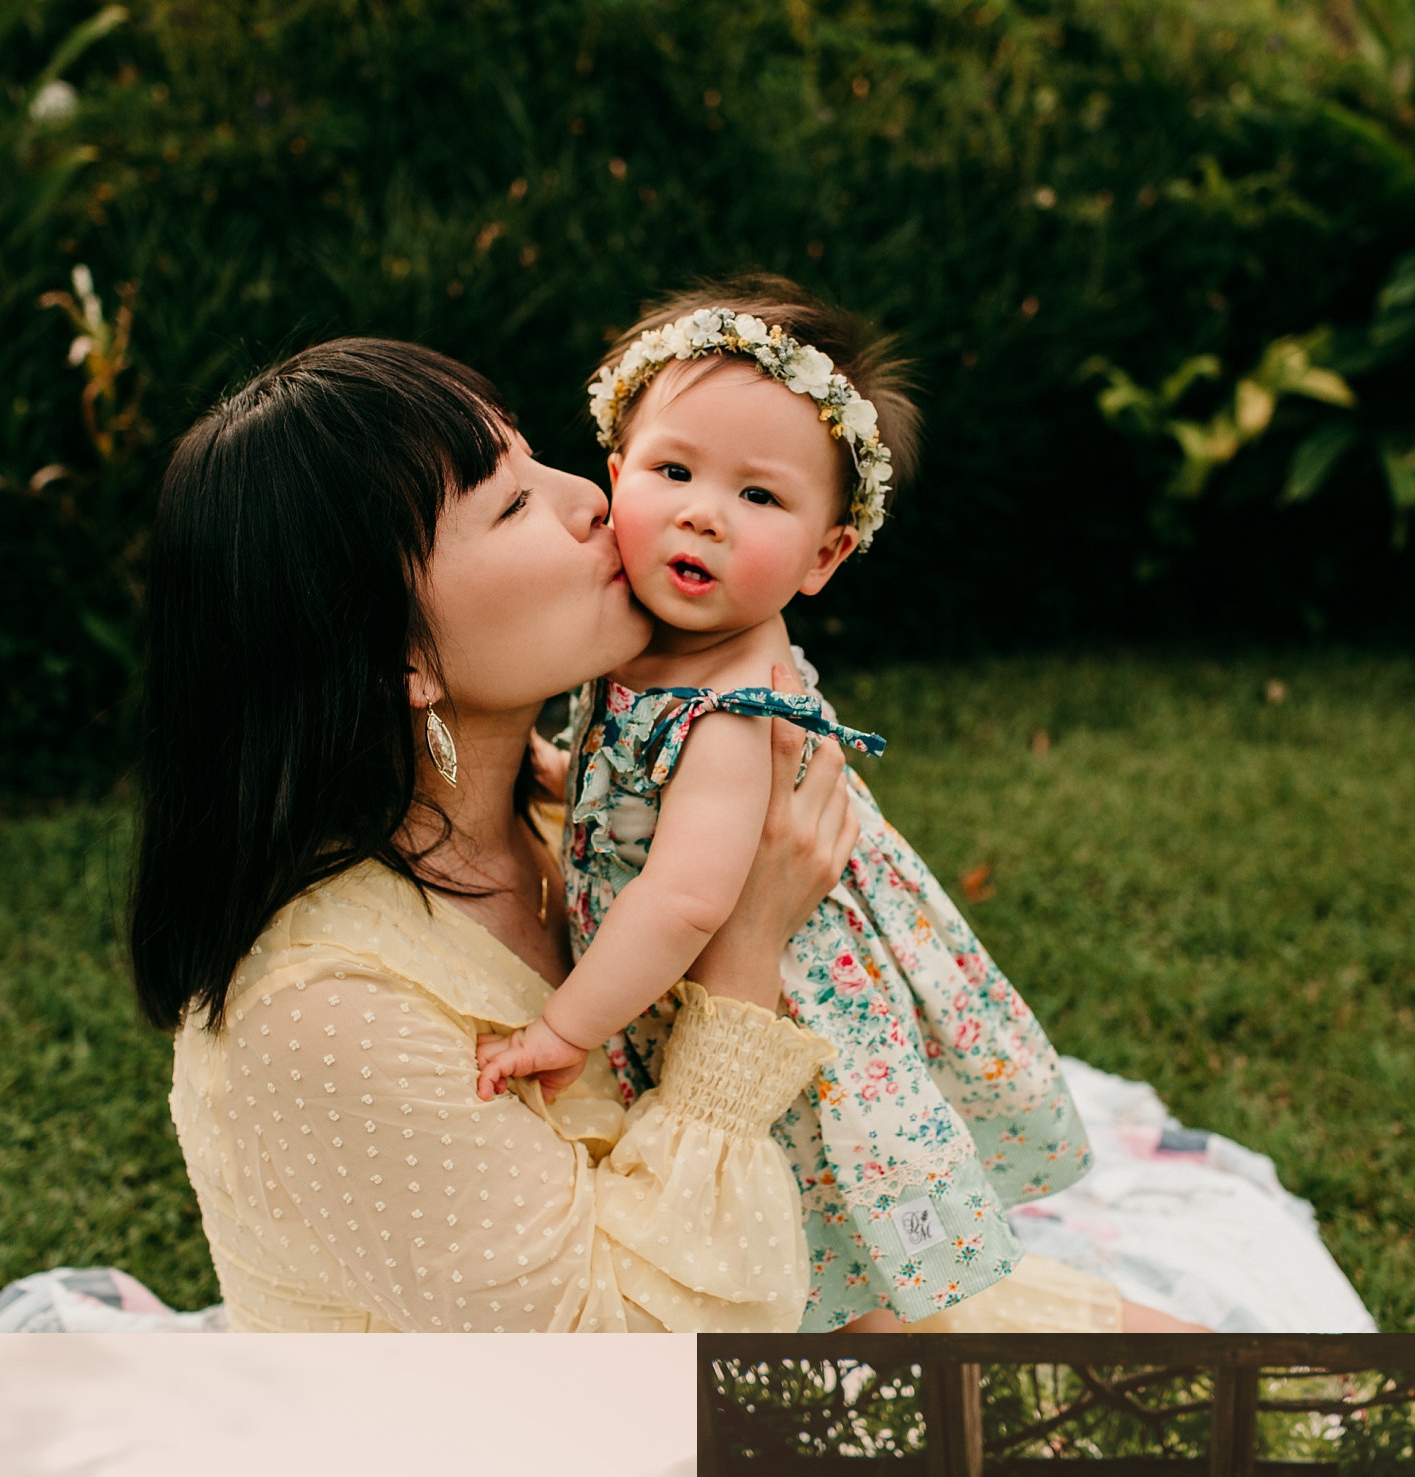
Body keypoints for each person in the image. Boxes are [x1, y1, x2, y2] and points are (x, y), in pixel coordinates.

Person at [127, 338, 871, 1332]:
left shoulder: (571, 813)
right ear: (394, 659)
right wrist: (742, 957)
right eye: (511, 503)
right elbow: (617, 1387)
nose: (593, 499)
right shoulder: (321, 1011)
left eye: (532, 458)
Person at [474, 288, 1100, 1337]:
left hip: (788, 1014)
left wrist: (563, 1027)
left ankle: (887, 1358)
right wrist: (554, 773)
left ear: (823, 557)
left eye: (759, 498)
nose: (703, 513)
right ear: (615, 478)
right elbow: (624, 779)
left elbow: (683, 897)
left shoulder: (734, 711)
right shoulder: (643, 642)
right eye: (672, 472)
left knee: (818, 1215)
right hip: (720, 988)